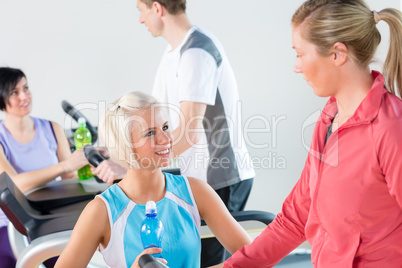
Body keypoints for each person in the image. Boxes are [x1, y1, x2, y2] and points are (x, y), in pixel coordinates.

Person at [217, 0, 402, 267]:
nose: (297, 66)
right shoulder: (328, 120)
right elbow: (296, 217)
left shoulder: (390, 128)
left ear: (337, 54)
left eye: (301, 54)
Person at [55, 91, 251, 268]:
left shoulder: (196, 191)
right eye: (150, 133)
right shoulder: (100, 212)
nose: (166, 139)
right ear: (125, 145)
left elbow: (252, 257)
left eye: (165, 127)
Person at [136, 0, 256, 265]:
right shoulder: (173, 53)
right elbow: (160, 120)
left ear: (157, 8)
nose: (141, 19)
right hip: (198, 177)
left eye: (141, 10)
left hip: (220, 177)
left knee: (211, 261)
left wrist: (142, 166)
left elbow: (189, 132)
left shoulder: (197, 51)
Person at [0, 67, 89, 267]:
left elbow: (71, 180)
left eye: (26, 88)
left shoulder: (52, 128)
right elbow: (12, 185)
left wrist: (87, 166)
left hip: (49, 219)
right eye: (14, 92)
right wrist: (64, 165)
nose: (24, 96)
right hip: (9, 224)